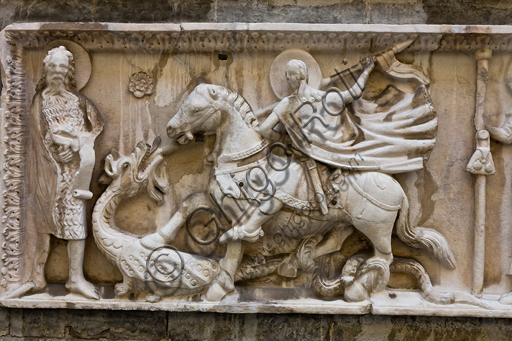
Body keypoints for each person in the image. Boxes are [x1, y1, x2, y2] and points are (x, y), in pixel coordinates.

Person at [3, 46, 103, 299]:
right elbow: (37, 135)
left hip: (74, 172)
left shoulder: (78, 102)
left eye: (62, 67)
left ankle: (75, 278)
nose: (57, 72)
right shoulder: (40, 100)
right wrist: (55, 152)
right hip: (47, 169)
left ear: (69, 71)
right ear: (46, 70)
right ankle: (37, 277)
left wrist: (77, 146)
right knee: (41, 221)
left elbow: (95, 128)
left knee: (74, 221)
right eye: (53, 67)